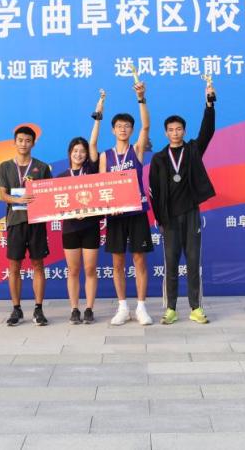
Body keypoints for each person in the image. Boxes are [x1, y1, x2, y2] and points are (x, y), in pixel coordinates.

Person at [148, 81, 216, 325]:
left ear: (184, 131)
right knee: (171, 265)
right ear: (166, 133)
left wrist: (209, 104)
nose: (175, 132)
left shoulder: (194, 150)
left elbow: (207, 131)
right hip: (169, 219)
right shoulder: (159, 159)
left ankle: (196, 308)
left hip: (191, 215)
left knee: (194, 262)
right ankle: (171, 309)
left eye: (179, 129)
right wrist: (159, 218)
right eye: (171, 129)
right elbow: (154, 191)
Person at [100, 81, 154, 326]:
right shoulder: (105, 156)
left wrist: (141, 98)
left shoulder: (137, 149)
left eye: (127, 126)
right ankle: (122, 307)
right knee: (117, 262)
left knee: (139, 259)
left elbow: (147, 125)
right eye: (119, 126)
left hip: (137, 212)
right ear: (113, 130)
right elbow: (102, 186)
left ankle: (141, 307)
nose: (123, 129)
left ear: (131, 130)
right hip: (115, 215)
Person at [0, 125, 53, 326]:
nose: (23, 144)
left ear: (33, 143)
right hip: (15, 222)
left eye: (28, 140)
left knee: (38, 264)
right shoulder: (4, 167)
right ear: (15, 142)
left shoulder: (42, 167)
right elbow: (2, 195)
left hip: (36, 222)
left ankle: (38, 308)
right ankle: (16, 308)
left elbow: (49, 194)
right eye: (20, 140)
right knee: (14, 266)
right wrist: (19, 200)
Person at [57, 92, 105, 325]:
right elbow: (55, 205)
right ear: (70, 153)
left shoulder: (92, 171)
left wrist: (98, 116)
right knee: (73, 270)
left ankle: (89, 309)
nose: (79, 154)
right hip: (70, 228)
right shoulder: (61, 177)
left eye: (82, 151)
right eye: (75, 151)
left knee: (90, 269)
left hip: (91, 227)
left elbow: (93, 141)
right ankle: (74, 308)